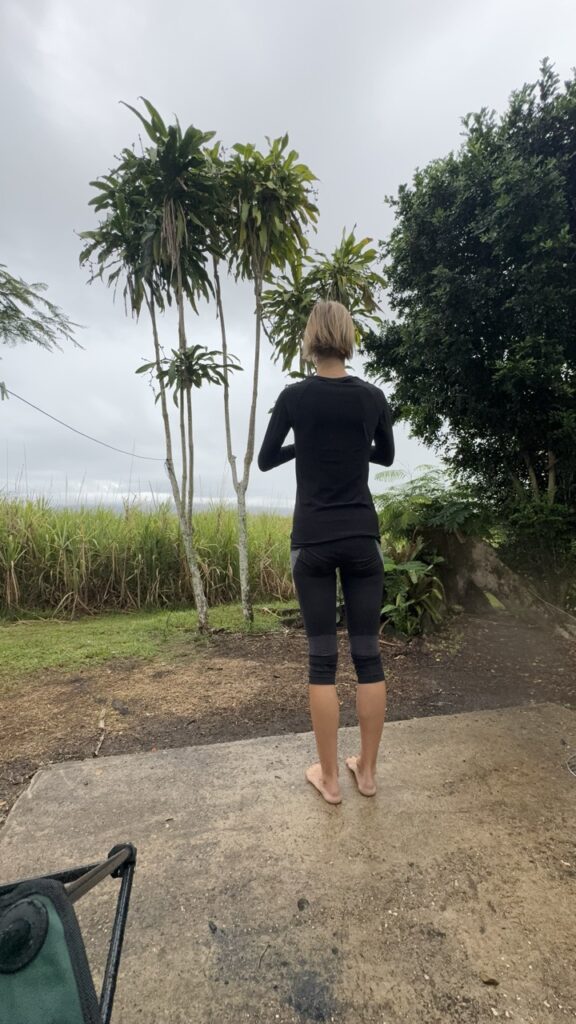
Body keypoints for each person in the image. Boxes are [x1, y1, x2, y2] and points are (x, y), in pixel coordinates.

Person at [258, 300, 395, 805]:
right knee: (368, 656)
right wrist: (350, 443)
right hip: (362, 537)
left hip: (312, 540)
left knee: (322, 660)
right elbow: (386, 454)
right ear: (347, 337)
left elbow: (267, 459)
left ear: (312, 339)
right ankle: (369, 773)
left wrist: (305, 445)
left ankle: (331, 780)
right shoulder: (372, 397)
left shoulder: (294, 398)